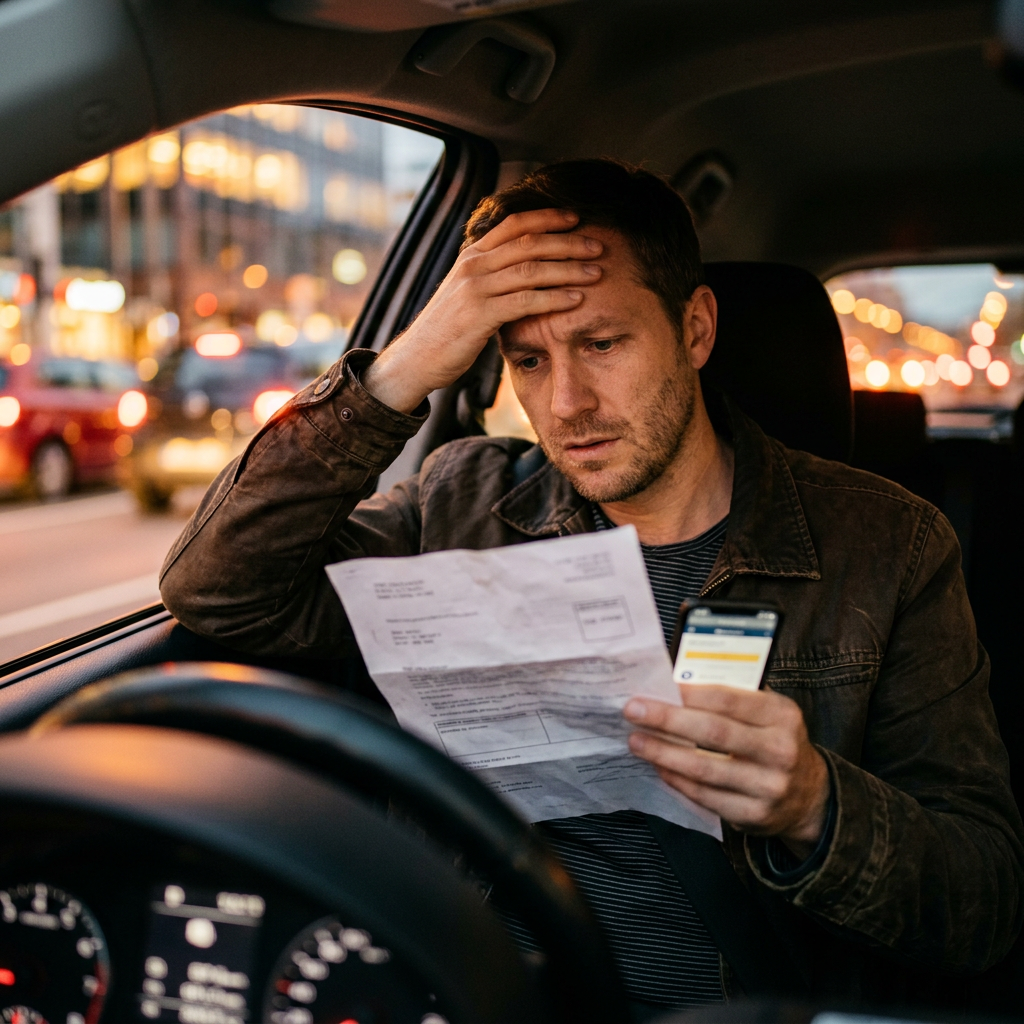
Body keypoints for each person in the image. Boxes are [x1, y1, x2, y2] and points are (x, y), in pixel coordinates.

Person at [161, 159, 1023, 1015]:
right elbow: (218, 590)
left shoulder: (888, 544)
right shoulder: (458, 502)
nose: (567, 401)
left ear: (694, 331)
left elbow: (983, 903)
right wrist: (402, 369)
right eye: (527, 360)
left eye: (601, 344)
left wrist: (813, 805)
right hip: (478, 991)